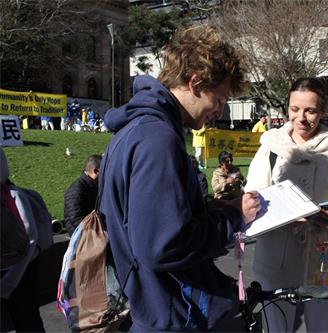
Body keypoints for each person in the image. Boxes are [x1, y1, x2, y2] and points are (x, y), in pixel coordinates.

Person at [98, 25, 260, 332]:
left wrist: (214, 209)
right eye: (221, 100)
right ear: (196, 82)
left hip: (150, 305)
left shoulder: (139, 129)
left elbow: (150, 222)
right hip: (167, 312)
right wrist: (234, 217)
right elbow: (163, 245)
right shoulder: (157, 139)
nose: (219, 112)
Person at [245, 77, 328, 332]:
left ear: (322, 111)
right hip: (276, 262)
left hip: (326, 263)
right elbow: (251, 201)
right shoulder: (271, 147)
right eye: (294, 109)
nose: (301, 118)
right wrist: (288, 215)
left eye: (310, 110)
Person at [0, 148, 52, 332]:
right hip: (13, 269)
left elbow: (30, 238)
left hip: (21, 268)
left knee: (25, 315)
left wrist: (7, 284)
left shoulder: (14, 196)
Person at [63, 154, 101, 236]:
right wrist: (96, 233)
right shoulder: (76, 189)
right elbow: (76, 218)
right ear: (96, 171)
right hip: (84, 239)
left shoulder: (94, 185)